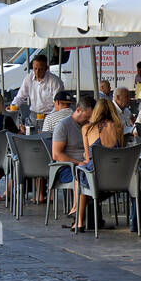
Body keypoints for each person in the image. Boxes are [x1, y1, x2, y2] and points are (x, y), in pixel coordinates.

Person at [71, 98, 125, 232]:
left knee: (81, 173)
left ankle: (78, 220)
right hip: (115, 175)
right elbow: (120, 151)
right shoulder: (118, 128)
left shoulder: (87, 128)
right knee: (83, 172)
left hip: (95, 176)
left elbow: (88, 157)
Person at [51, 95, 94, 224]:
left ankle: (89, 218)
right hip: (67, 168)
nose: (88, 120)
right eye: (87, 116)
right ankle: (78, 216)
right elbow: (56, 155)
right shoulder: (63, 126)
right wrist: (78, 162)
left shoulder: (90, 126)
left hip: (87, 165)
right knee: (84, 174)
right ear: (78, 110)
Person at [12, 54, 63, 120]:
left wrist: (49, 116)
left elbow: (58, 104)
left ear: (46, 68)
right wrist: (13, 105)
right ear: (32, 67)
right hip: (33, 114)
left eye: (40, 69)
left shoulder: (55, 81)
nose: (37, 72)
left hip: (50, 115)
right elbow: (20, 96)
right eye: (35, 69)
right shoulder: (29, 78)